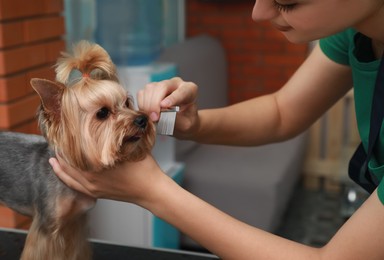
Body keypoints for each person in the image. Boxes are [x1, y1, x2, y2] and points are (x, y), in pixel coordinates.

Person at [50, 0, 384, 259]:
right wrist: (194, 125)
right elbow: (282, 112)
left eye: (287, 0)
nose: (258, 12)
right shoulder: (355, 31)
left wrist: (154, 192)